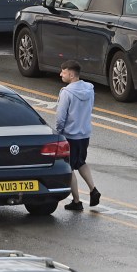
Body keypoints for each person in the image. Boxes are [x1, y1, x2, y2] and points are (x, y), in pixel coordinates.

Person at [55, 60, 100, 211]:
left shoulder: (66, 93)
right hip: (85, 133)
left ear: (71, 74)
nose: (61, 73)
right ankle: (93, 189)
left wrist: (58, 133)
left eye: (63, 71)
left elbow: (61, 117)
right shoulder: (89, 89)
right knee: (81, 161)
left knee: (69, 167)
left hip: (70, 135)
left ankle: (76, 201)